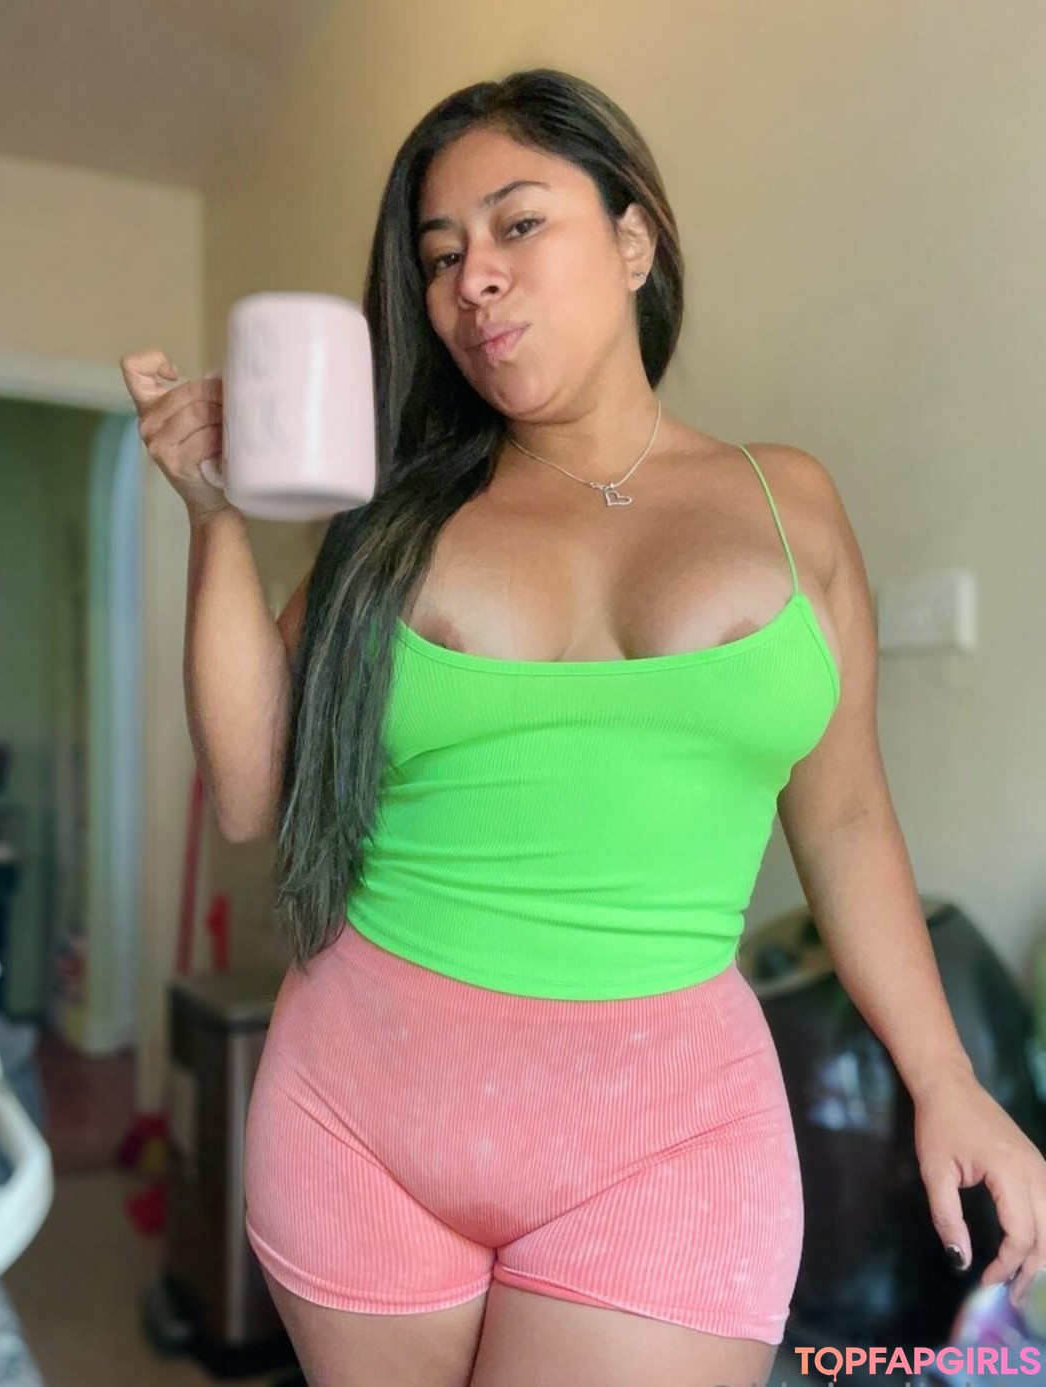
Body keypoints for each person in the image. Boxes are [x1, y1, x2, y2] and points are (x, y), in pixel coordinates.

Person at [120, 67, 1046, 1387]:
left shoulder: (787, 504)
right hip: (359, 1119)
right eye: (441, 256)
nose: (473, 280)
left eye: (517, 224)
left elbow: (845, 817)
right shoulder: (394, 522)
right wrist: (213, 515)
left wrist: (945, 1077)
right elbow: (251, 788)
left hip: (666, 1141)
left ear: (633, 239)